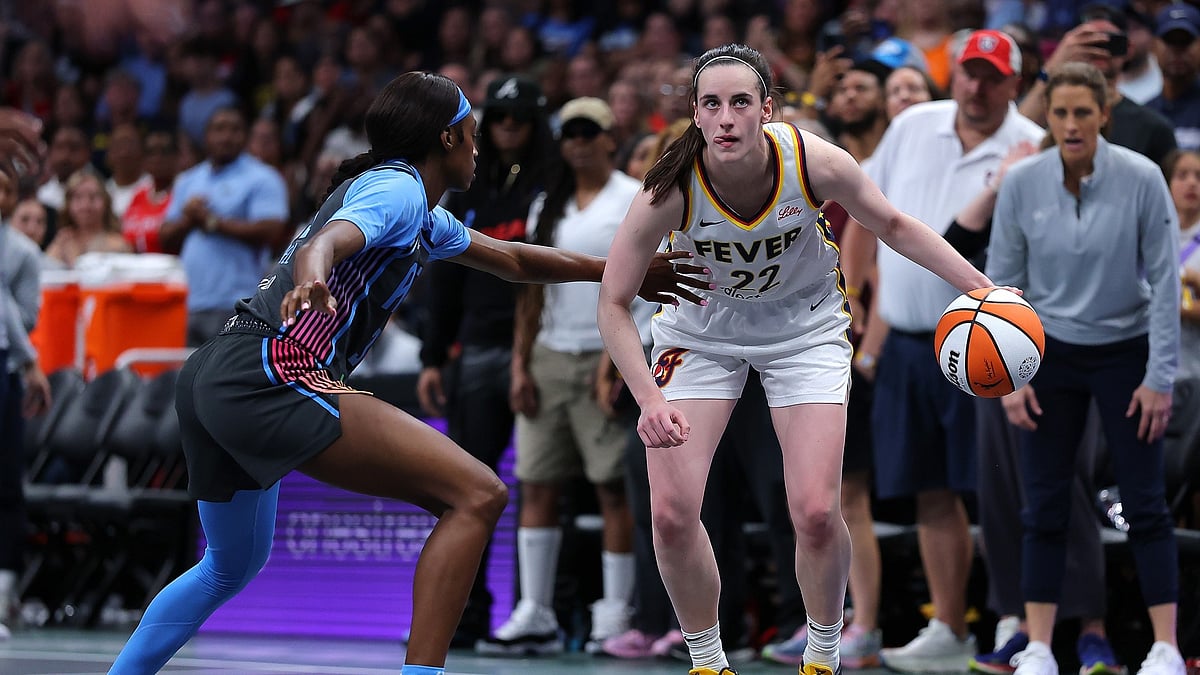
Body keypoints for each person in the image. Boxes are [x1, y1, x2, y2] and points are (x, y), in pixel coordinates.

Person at [106, 71, 706, 675]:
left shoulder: (417, 212)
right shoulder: (396, 191)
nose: (479, 147)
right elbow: (332, 242)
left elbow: (517, 259)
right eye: (471, 135)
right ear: (446, 140)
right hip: (272, 373)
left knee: (231, 565)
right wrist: (313, 276)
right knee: (478, 493)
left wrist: (622, 272)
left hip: (214, 372)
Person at [596, 43, 999, 675]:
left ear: (767, 110)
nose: (726, 117)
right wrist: (648, 397)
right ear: (696, 116)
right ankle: (706, 659)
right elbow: (613, 303)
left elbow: (892, 224)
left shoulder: (811, 160)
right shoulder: (668, 189)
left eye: (739, 102)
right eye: (711, 104)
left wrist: (981, 287)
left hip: (804, 333)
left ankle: (822, 651)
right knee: (671, 517)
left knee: (815, 510)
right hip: (701, 338)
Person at [837, 30, 1044, 674]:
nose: (976, 87)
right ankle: (950, 626)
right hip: (905, 341)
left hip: (994, 347)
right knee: (929, 489)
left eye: (991, 77)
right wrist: (849, 298)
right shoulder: (913, 124)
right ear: (952, 74)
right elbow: (867, 212)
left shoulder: (1031, 149)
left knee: (996, 489)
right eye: (968, 73)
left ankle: (1012, 620)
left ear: (1015, 83)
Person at [989, 61, 1186, 675]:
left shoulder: (1144, 177)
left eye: (1083, 112)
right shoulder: (1021, 183)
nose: (1071, 124)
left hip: (1125, 352)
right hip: (1049, 355)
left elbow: (1164, 280)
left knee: (1147, 502)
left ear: (1104, 115)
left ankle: (1165, 648)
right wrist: (1012, 377)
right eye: (1060, 112)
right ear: (1047, 116)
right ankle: (1041, 646)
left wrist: (1160, 377)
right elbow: (1002, 287)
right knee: (1043, 505)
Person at [476, 97, 643, 656]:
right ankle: (536, 611)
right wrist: (521, 361)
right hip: (549, 354)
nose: (576, 142)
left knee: (612, 488)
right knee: (538, 484)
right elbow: (530, 288)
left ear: (608, 138)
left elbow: (641, 284)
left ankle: (615, 613)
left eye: (587, 131)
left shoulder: (633, 197)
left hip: (604, 355)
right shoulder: (548, 203)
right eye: (568, 133)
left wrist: (616, 363)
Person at [414, 74, 557, 648]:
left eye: (518, 118)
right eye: (497, 117)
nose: (506, 127)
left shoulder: (552, 182)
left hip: (539, 349)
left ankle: (541, 611)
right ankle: (463, 619)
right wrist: (432, 356)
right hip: (474, 351)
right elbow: (443, 280)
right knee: (467, 487)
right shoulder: (467, 188)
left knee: (543, 482)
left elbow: (537, 268)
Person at [159, 106, 288, 346]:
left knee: (227, 380)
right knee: (187, 378)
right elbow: (165, 236)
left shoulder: (262, 177)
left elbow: (271, 230)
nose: (226, 137)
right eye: (219, 129)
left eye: (235, 130)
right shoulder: (188, 180)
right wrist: (189, 219)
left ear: (246, 136)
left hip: (238, 303)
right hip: (188, 301)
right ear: (206, 136)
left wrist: (211, 221)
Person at [45, 172, 133, 268]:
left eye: (93, 197)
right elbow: (46, 270)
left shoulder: (118, 244)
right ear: (68, 204)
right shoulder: (63, 239)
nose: (85, 205)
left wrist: (73, 257)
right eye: (78, 197)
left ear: (106, 202)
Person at [1165, 149, 1200, 379]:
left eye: (1199, 176)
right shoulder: (1153, 234)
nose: (1192, 183)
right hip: (1151, 362)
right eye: (1182, 175)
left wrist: (1178, 310)